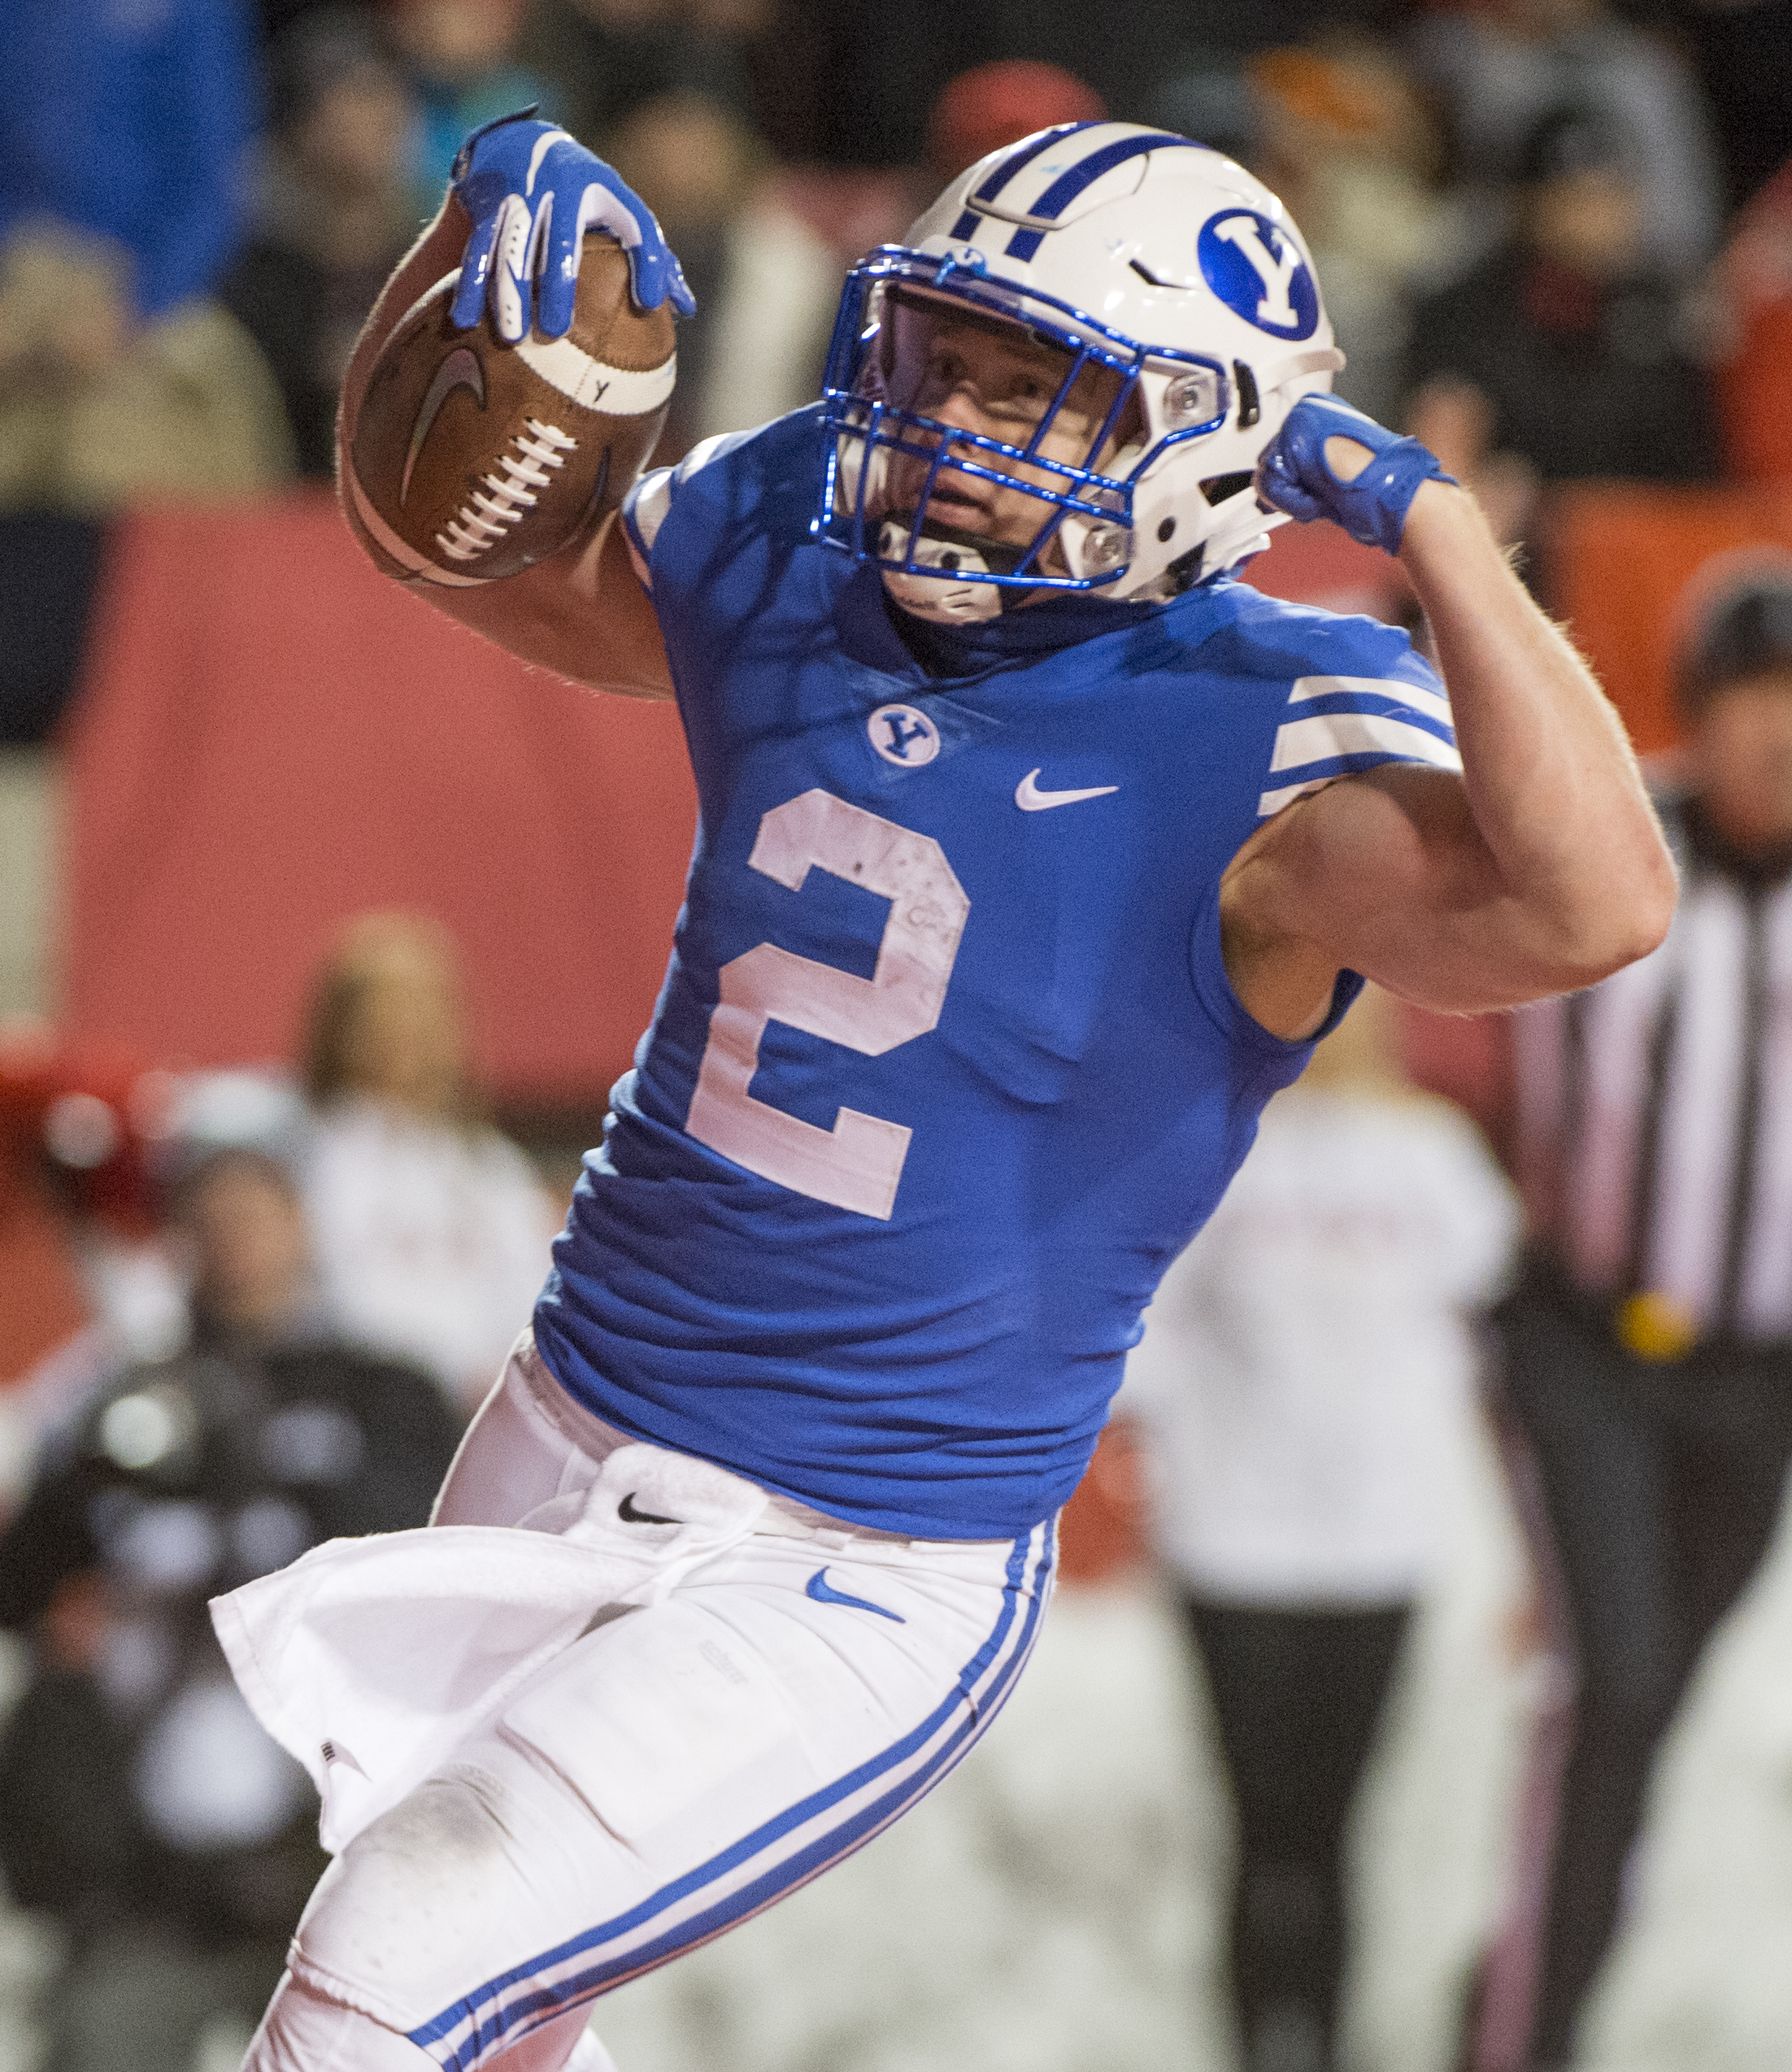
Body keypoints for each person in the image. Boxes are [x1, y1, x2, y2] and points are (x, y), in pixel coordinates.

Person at [220, 114, 1673, 2070]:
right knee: (487, 2017)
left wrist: (1423, 523)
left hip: (856, 1563)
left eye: (1031, 388)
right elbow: (481, 564)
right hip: (563, 1427)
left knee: (388, 1964)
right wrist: (459, 340)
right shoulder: (787, 542)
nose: (950, 426)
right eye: (938, 359)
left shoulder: (1263, 737)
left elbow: (1595, 903)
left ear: (1197, 433)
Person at [1484, 553, 1792, 2072]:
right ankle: (1524, 2040)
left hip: (1759, 1384)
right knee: (1608, 1688)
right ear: (1697, 709)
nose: (1778, 735)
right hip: (1590, 1348)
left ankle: (1518, 1989)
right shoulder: (1619, 843)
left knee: (1643, 1715)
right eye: (1754, 698)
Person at [1124, 984, 1520, 2072]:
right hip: (1234, 1540)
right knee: (1260, 1831)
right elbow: (1144, 1326)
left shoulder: (1429, 1156)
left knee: (1338, 1831)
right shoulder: (1212, 1149)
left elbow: (1496, 1311)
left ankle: (1329, 2046)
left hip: (1380, 1541)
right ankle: (1259, 2048)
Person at [0, 1144, 460, 2072]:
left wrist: (268, 1468)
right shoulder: (118, 1392)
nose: (235, 1244)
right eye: (210, 1223)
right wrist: (98, 1484)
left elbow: (435, 1562)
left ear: (300, 1230)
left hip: (333, 1855)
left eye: (255, 1218)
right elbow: (24, 1587)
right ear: (178, 1244)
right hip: (142, 1858)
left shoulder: (383, 1392)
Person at [1405, 101, 1719, 549]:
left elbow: (1699, 481)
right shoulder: (1463, 315)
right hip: (1514, 562)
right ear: (1530, 204)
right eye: (1581, 197)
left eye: (1616, 193)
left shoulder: (1662, 311)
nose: (1606, 216)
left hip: (1639, 560)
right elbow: (1439, 475)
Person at [299, 912, 557, 1413]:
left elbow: (534, 1298)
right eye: (379, 1012)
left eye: (419, 1011)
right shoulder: (305, 1153)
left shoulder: (491, 1167)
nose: (401, 1033)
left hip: (482, 1415)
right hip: (360, 1411)